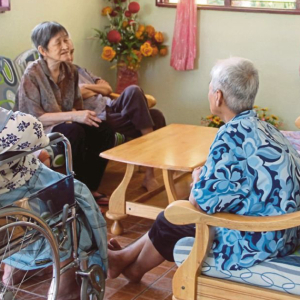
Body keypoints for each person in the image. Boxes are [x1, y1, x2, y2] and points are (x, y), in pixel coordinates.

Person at [107, 57, 300, 283]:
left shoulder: (230, 137)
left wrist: (198, 177)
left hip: (258, 241)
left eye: (210, 87)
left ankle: (130, 267)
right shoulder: (267, 128)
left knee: (175, 216)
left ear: (218, 96)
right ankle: (124, 260)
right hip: (286, 234)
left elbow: (198, 203)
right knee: (170, 215)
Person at [0, 108, 108, 299]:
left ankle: (14, 269)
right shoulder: (32, 78)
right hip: (22, 202)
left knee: (97, 130)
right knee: (73, 203)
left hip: (15, 196)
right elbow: (32, 122)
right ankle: (66, 283)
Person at [13, 21, 115, 204]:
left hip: (65, 123)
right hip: (37, 130)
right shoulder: (32, 74)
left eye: (66, 39)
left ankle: (88, 189)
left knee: (103, 129)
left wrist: (78, 115)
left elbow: (75, 105)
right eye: (58, 42)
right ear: (43, 50)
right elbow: (34, 118)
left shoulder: (70, 70)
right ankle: (72, 196)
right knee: (73, 132)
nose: (66, 46)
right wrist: (73, 116)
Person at [64, 41, 166, 191]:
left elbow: (107, 88)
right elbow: (74, 96)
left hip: (111, 106)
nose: (70, 57)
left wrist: (87, 87)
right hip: (98, 116)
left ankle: (148, 172)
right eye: (65, 53)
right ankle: (149, 173)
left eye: (72, 52)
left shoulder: (80, 70)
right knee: (151, 113)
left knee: (140, 98)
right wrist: (95, 90)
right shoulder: (61, 76)